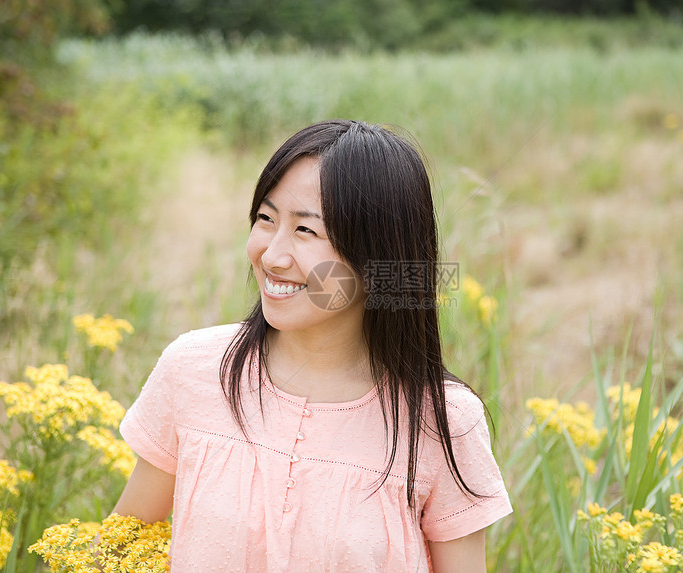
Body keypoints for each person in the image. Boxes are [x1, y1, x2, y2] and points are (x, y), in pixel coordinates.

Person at [113, 120, 512, 572]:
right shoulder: (195, 369)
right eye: (266, 219)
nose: (272, 255)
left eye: (306, 231)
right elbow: (121, 544)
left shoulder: (443, 422)